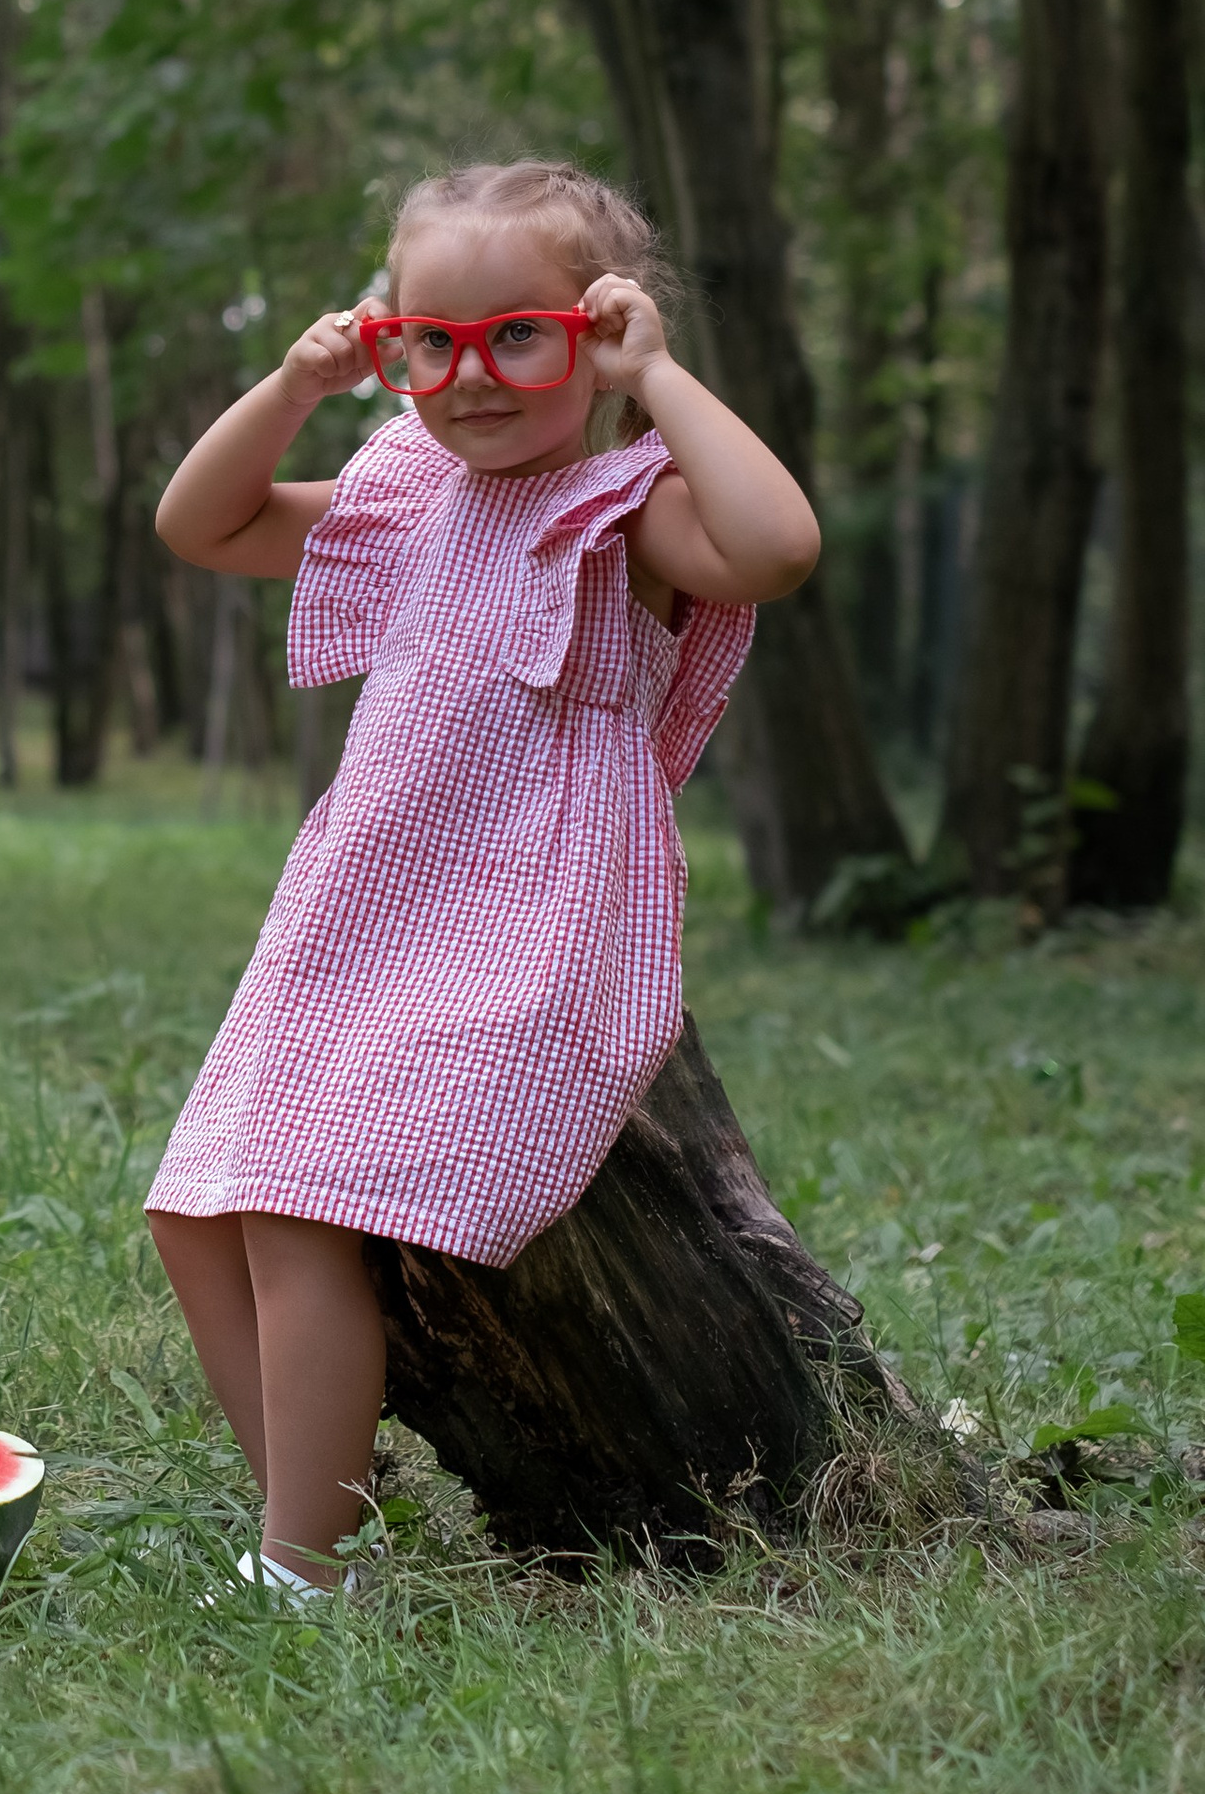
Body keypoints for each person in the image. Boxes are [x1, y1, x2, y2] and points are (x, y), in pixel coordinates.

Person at [147, 158, 821, 1600]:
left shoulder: (628, 508)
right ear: (388, 346)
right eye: (430, 342)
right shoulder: (406, 491)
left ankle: (304, 1568)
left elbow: (777, 550)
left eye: (521, 334)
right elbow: (201, 525)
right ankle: (315, 1508)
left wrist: (664, 381)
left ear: (601, 331)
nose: (471, 376)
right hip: (365, 903)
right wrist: (294, 385)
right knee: (193, 1209)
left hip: (530, 918)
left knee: (290, 1201)